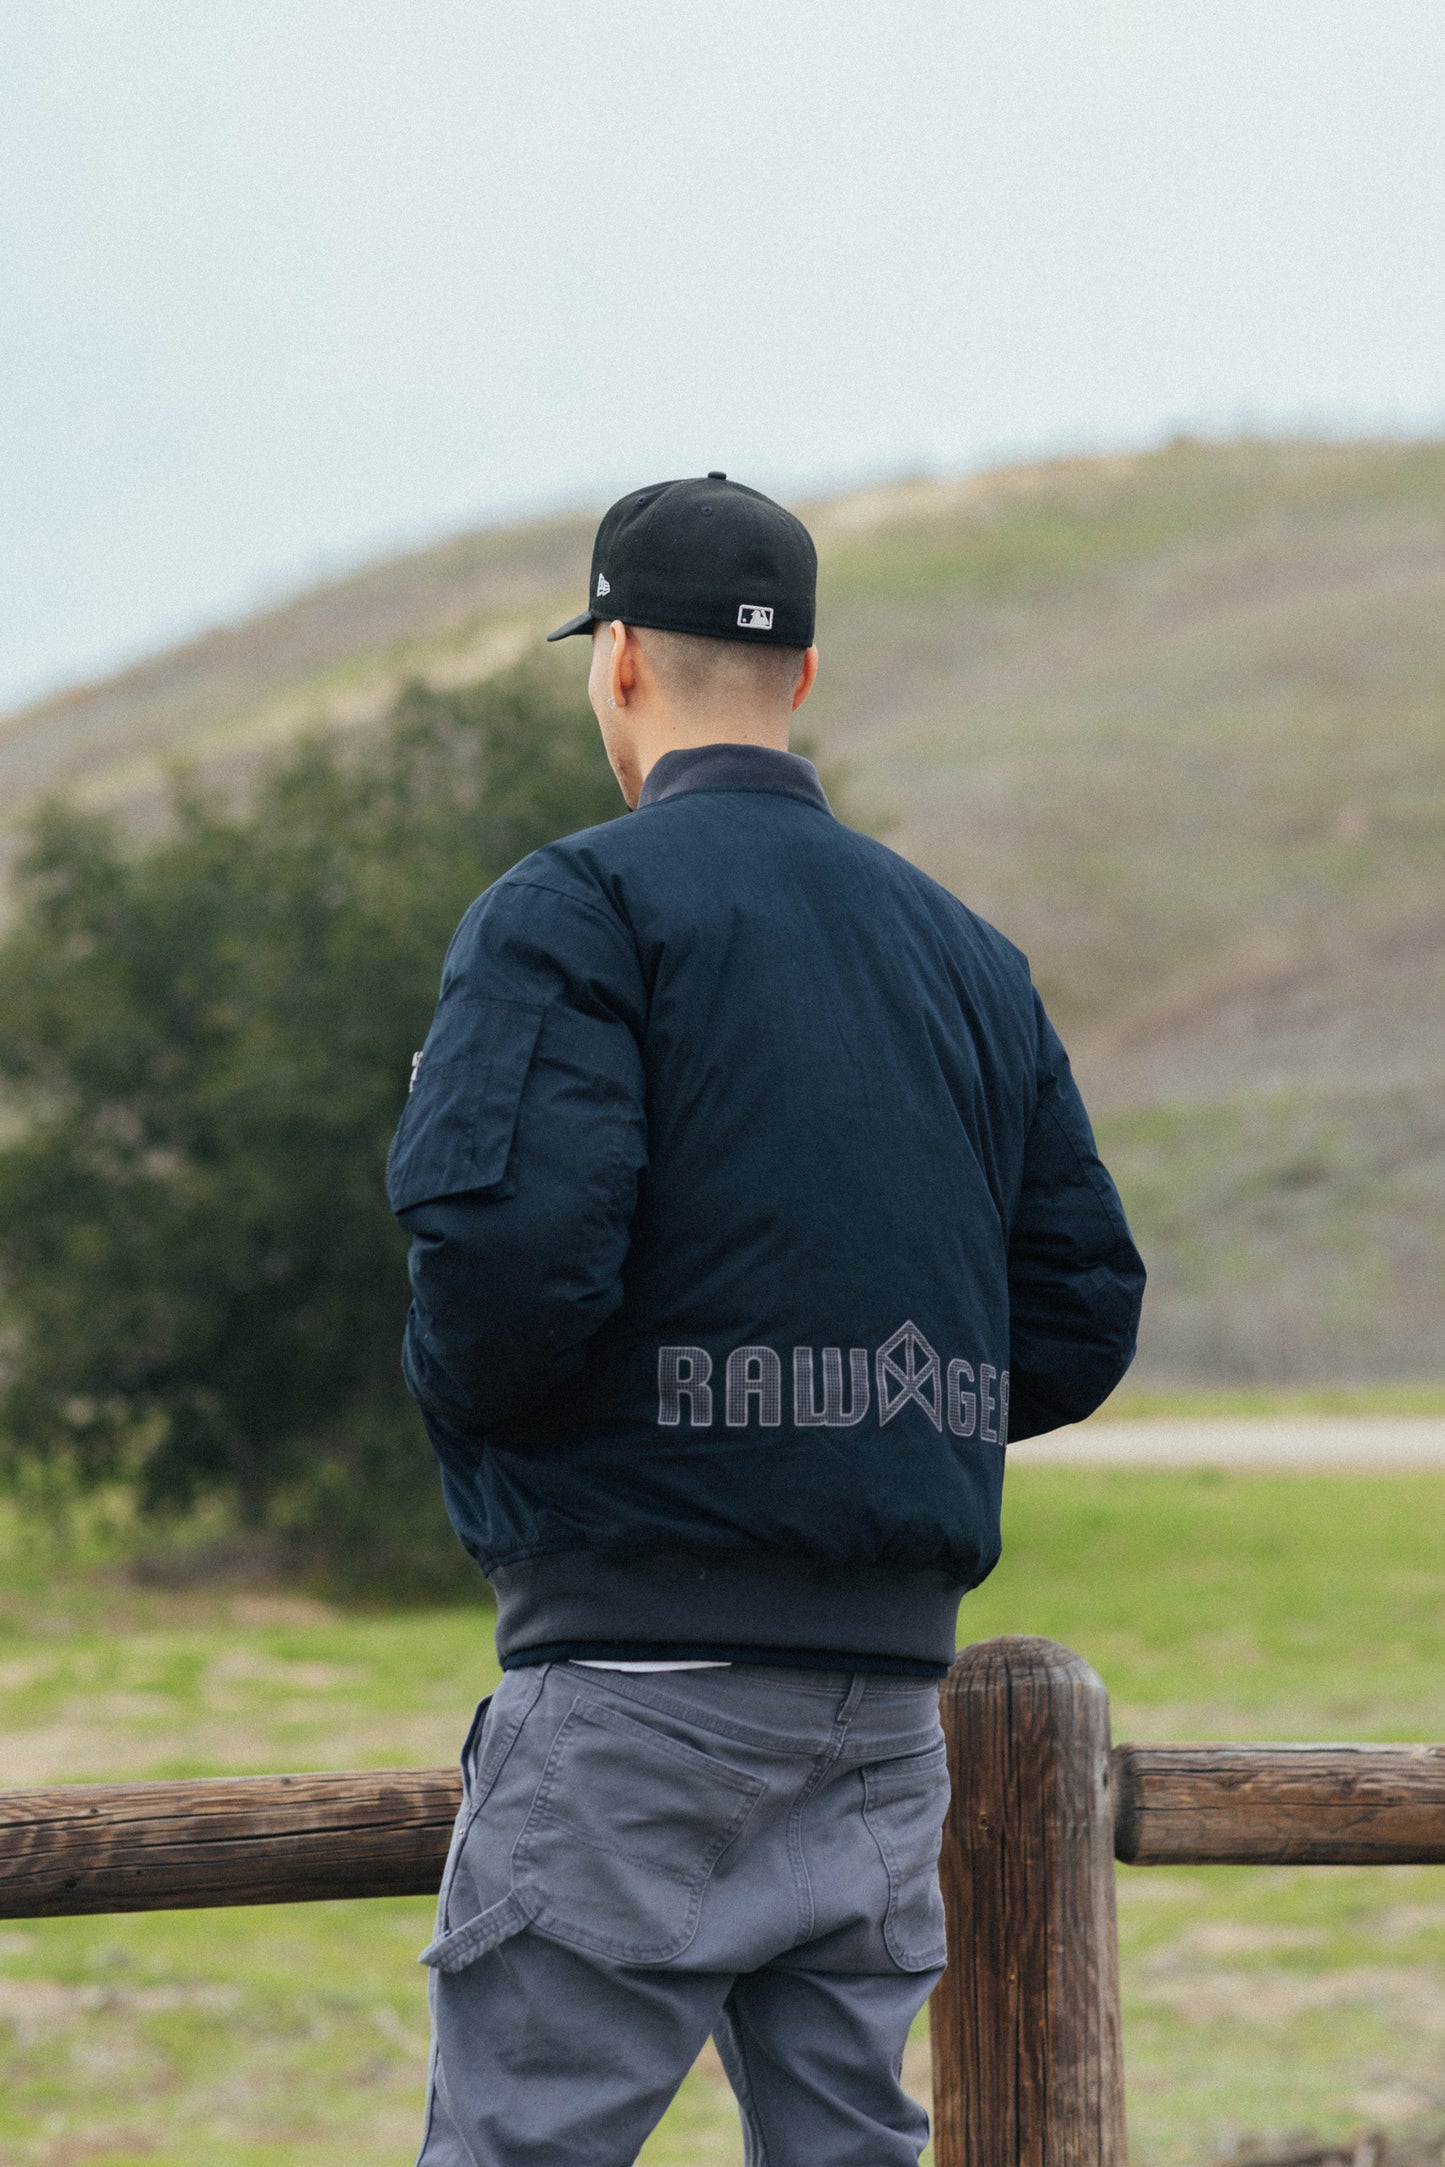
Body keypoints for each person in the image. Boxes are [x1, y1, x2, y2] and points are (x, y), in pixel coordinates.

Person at [387, 472, 1145, 2167]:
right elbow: (1078, 1307)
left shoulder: (574, 911)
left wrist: (495, 1425)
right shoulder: (966, 955)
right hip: (882, 1712)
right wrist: (866, 1414)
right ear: (800, 674)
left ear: (618, 661)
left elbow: (503, 1270)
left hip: (631, 1693)